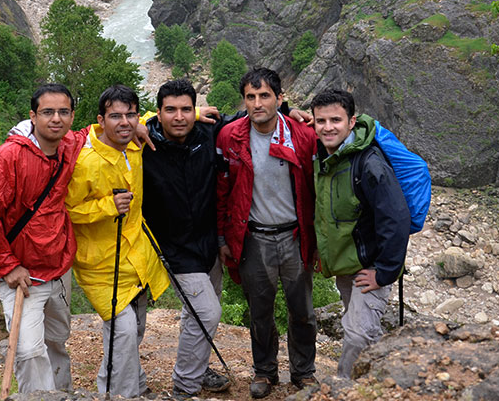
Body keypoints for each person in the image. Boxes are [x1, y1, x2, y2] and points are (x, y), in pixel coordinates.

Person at [0, 83, 82, 392]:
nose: (55, 119)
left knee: (57, 340)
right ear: (33, 116)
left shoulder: (69, 145)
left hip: (57, 268)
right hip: (22, 275)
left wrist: (143, 125)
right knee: (29, 350)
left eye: (63, 112)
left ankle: (62, 393)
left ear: (72, 117)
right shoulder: (6, 158)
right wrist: (7, 267)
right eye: (47, 112)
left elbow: (103, 129)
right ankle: (38, 398)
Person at [216, 67, 319, 398]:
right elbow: (222, 192)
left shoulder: (303, 136)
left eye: (264, 96)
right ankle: (265, 371)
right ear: (243, 100)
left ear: (280, 98)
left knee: (301, 310)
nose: (257, 103)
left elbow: (316, 189)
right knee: (260, 311)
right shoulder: (230, 136)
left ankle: (303, 372)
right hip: (253, 238)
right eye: (250, 96)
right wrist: (223, 239)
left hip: (294, 236)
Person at [65, 84, 171, 397]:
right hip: (101, 264)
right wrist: (107, 207)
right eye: (115, 116)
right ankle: (118, 394)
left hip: (136, 256)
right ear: (101, 119)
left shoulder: (134, 142)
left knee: (133, 330)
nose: (124, 122)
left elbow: (159, 116)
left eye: (130, 115)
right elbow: (68, 210)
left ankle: (134, 384)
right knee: (123, 332)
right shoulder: (86, 161)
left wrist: (196, 111)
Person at [309, 89, 409, 379]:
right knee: (366, 334)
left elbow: (397, 219)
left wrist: (384, 272)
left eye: (335, 120)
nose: (328, 127)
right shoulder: (326, 154)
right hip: (345, 263)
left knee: (356, 336)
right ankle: (383, 385)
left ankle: (342, 390)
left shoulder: (369, 164)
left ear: (352, 122)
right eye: (321, 120)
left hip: (370, 269)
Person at [142, 79, 231, 397]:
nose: (178, 117)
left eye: (186, 109)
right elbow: (98, 133)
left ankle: (199, 366)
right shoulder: (142, 145)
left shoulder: (208, 132)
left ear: (195, 110)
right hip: (173, 249)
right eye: (171, 110)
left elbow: (251, 121)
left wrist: (293, 114)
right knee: (207, 311)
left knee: (200, 312)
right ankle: (185, 386)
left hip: (208, 244)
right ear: (158, 113)